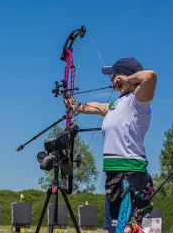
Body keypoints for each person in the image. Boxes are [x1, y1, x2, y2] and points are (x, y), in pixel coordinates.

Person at [63, 57, 157, 233]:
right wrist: (75, 106)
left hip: (131, 175)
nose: (112, 79)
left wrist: (126, 80)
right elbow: (97, 107)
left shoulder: (138, 101)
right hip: (113, 176)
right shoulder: (116, 104)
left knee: (132, 229)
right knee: (114, 228)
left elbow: (150, 76)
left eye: (115, 75)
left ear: (127, 76)